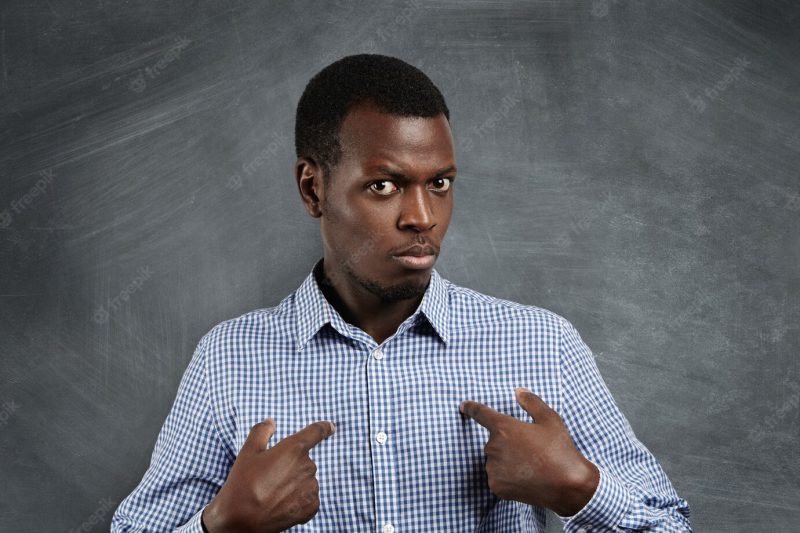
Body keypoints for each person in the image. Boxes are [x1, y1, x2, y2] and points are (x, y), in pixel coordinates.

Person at [111, 53, 692, 532]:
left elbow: (672, 525)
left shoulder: (542, 345)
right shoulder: (229, 359)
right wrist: (219, 526)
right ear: (313, 189)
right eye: (384, 185)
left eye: (439, 184)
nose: (422, 217)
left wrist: (581, 490)